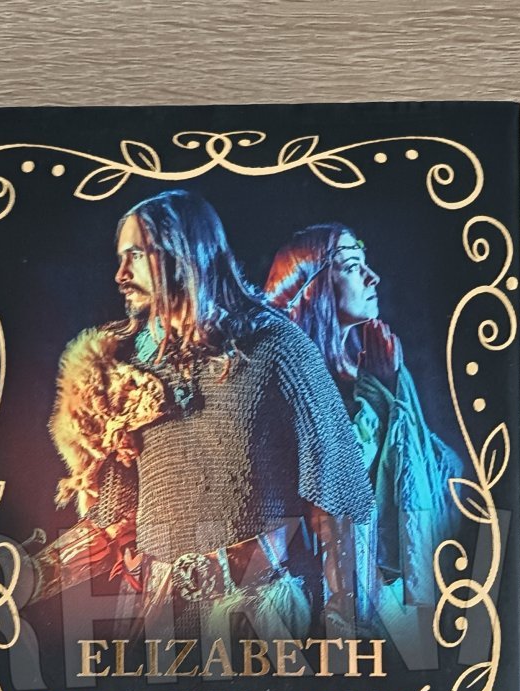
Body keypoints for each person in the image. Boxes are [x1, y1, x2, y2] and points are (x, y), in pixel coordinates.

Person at [30, 192, 374, 641]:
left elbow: (340, 500)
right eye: (121, 258)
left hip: (263, 617)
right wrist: (30, 577)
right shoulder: (128, 373)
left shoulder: (277, 348)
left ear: (182, 252)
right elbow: (113, 518)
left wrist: (349, 632)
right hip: (164, 620)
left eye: (136, 255)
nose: (121, 274)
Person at [265, 224, 461, 611]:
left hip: (380, 585)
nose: (373, 278)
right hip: (320, 587)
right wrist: (380, 393)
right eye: (354, 266)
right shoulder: (288, 384)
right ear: (315, 286)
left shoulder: (368, 375)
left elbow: (435, 474)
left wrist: (387, 387)